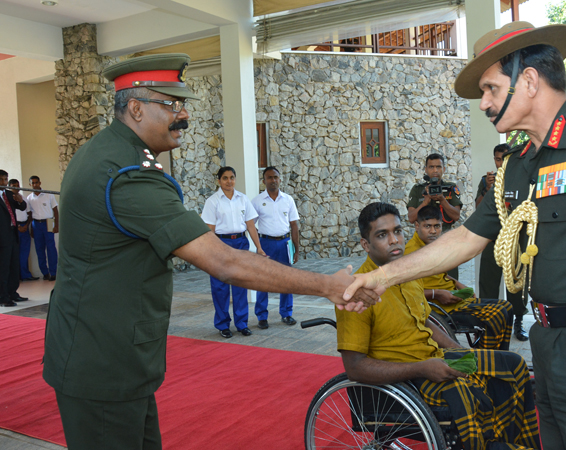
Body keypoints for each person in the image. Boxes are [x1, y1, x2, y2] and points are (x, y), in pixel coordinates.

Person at [345, 22, 566, 450]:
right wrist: (382, 277)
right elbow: (467, 238)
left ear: (529, 80)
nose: (484, 104)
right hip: (548, 341)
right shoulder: (518, 165)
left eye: (491, 89)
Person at [42, 53, 376, 450]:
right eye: (172, 105)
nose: (183, 116)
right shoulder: (126, 174)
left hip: (110, 355)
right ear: (135, 108)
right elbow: (224, 262)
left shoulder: (110, 153)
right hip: (103, 363)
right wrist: (327, 286)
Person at [336, 202, 539, 450]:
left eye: (397, 231)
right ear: (365, 244)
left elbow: (426, 323)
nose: (394, 240)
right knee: (465, 393)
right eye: (382, 235)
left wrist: (461, 350)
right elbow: (355, 369)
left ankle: (517, 442)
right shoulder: (357, 295)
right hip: (405, 379)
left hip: (434, 358)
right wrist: (422, 368)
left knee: (512, 365)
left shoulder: (408, 276)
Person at [405, 205, 513, 350]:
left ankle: (500, 356)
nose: (433, 231)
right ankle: (484, 359)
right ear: (417, 225)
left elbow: (440, 275)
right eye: (427, 226)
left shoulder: (434, 245)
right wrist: (437, 294)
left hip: (454, 299)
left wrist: (458, 284)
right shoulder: (411, 253)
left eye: (437, 226)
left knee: (507, 307)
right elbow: (408, 293)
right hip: (440, 308)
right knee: (495, 315)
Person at [201, 166, 264, 338]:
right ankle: (223, 325)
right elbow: (210, 230)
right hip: (220, 243)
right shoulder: (213, 201)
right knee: (220, 287)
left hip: (240, 243)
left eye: (232, 178)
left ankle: (242, 324)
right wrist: (211, 252)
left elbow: (251, 225)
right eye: (225, 178)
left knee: (240, 284)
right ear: (219, 180)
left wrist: (258, 247)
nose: (229, 181)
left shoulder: (243, 199)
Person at [476, 145, 529, 341]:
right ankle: (488, 324)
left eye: (504, 159)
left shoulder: (523, 179)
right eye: (498, 159)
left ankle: (518, 322)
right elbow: (478, 209)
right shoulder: (486, 180)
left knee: (516, 284)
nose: (501, 163)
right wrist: (489, 190)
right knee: (488, 284)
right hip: (493, 240)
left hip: (517, 241)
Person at [251, 166, 300, 328]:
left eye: (276, 177)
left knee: (287, 279)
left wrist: (296, 249)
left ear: (280, 179)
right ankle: (262, 316)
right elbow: (251, 225)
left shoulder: (288, 200)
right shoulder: (257, 201)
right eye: (269, 177)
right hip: (266, 244)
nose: (273, 180)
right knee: (263, 280)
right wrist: (259, 246)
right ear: (264, 181)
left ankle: (286, 313)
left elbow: (294, 225)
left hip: (284, 243)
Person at [407, 153, 463, 280]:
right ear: (426, 169)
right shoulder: (418, 189)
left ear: (443, 169)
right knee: (425, 281)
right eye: (431, 167)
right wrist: (425, 202)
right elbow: (411, 218)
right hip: (423, 244)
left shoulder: (451, 188)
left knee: (450, 281)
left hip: (446, 242)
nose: (435, 170)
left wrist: (443, 200)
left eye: (438, 167)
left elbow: (456, 216)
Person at [0, 170, 29, 307]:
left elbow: (22, 208)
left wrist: (20, 200)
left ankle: (13, 292)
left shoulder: (9, 194)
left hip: (12, 234)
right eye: (1, 179)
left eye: (5, 179)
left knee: (13, 265)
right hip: (1, 238)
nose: (3, 182)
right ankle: (3, 297)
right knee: (3, 267)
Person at [26, 175, 59, 281]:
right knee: (39, 249)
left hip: (48, 223)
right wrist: (31, 228)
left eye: (37, 182)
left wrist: (57, 225)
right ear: (30, 184)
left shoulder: (48, 194)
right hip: (36, 225)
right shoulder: (29, 198)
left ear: (40, 183)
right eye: (33, 183)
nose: (35, 185)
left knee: (51, 248)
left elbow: (55, 211)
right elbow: (30, 214)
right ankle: (45, 273)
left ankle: (53, 272)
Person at [9, 179, 38, 281]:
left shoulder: (24, 199)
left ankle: (25, 275)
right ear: (9, 186)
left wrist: (26, 225)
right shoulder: (7, 200)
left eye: (17, 185)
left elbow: (29, 214)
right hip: (13, 228)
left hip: (24, 227)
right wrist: (17, 227)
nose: (16, 187)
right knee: (14, 253)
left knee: (25, 253)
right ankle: (16, 276)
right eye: (14, 185)